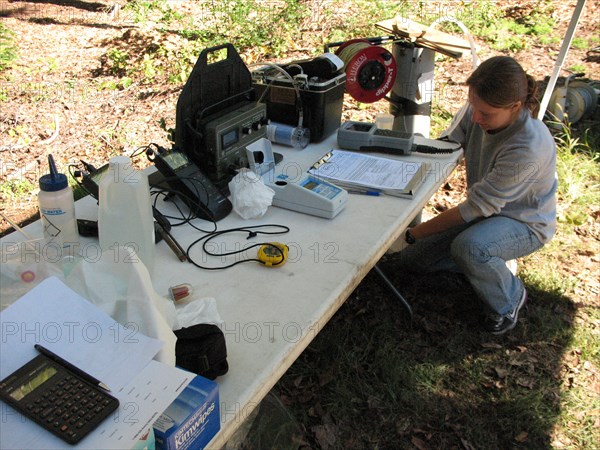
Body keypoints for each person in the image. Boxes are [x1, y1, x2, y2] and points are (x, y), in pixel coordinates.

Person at [398, 55, 557, 335]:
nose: (475, 118)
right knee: (411, 260)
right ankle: (485, 264)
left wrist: (413, 233)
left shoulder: (527, 147)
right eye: (473, 106)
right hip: (488, 214)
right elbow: (445, 150)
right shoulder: (479, 110)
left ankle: (508, 299)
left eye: (486, 114)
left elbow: (475, 208)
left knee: (470, 247)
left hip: (524, 223)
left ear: (515, 107)